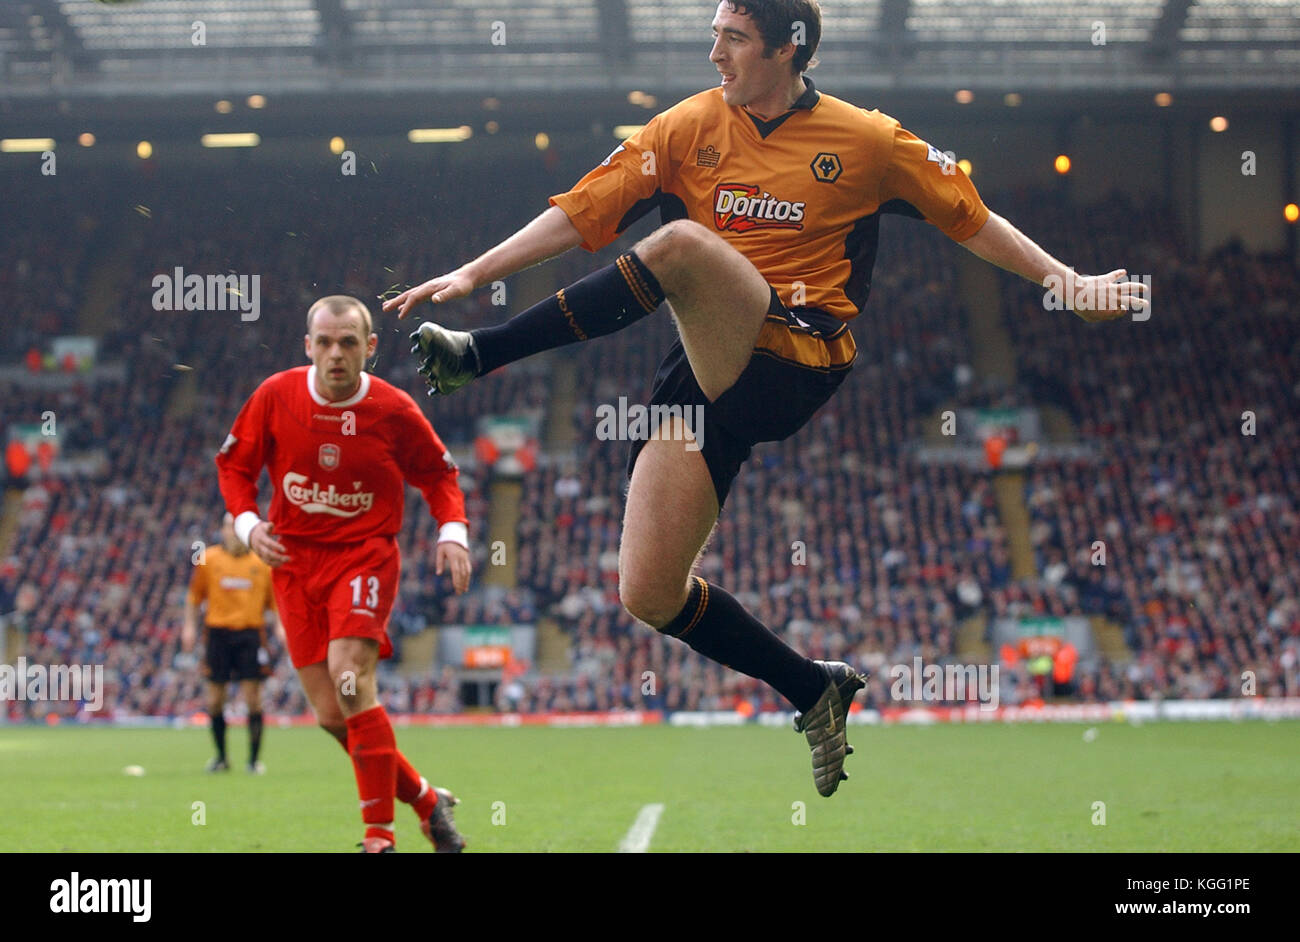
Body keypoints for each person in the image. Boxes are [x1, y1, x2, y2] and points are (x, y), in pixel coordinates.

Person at [386, 0, 1147, 797]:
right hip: (710, 367)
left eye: (734, 39)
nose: (714, 53)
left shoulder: (869, 140)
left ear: (790, 48)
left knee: (680, 245)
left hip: (800, 356)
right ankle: (813, 688)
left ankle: (481, 355)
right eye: (715, 34)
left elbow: (972, 218)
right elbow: (583, 211)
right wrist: (474, 273)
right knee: (647, 591)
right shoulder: (687, 127)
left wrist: (1068, 282)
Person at [216, 294, 473, 852]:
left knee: (350, 675)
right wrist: (247, 524)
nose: (336, 353)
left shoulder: (393, 409)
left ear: (370, 348)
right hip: (291, 563)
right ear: (308, 345)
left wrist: (452, 531)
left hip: (364, 555)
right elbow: (235, 466)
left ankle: (379, 836)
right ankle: (428, 802)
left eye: (348, 342)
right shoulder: (276, 396)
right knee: (334, 715)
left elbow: (439, 475)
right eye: (325, 342)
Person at [182, 511, 282, 773]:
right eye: (229, 526)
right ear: (223, 530)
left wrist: (281, 628)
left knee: (254, 699)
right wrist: (189, 627)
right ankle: (222, 758)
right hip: (218, 634)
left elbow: (275, 604)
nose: (233, 532)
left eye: (238, 527)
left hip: (251, 634)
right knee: (215, 700)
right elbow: (194, 598)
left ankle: (253, 761)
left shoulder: (262, 563)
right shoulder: (208, 559)